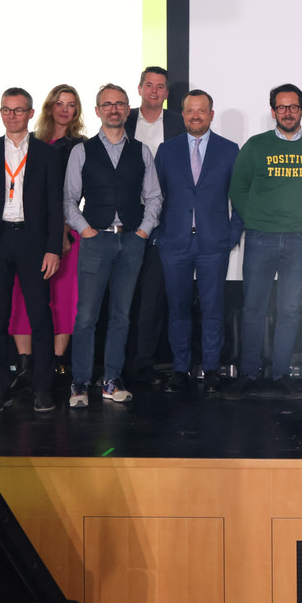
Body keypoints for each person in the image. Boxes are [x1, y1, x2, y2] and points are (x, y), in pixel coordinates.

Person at [225, 83, 302, 400]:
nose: (288, 112)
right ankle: (249, 373)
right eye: (282, 107)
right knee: (253, 308)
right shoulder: (255, 147)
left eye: (293, 107)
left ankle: (281, 373)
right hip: (260, 239)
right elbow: (238, 190)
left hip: (299, 239)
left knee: (289, 309)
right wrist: (255, 218)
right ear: (273, 111)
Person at [64, 83, 163, 408]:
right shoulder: (82, 151)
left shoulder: (141, 151)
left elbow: (153, 197)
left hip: (131, 241)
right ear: (97, 110)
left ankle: (111, 379)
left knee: (122, 316)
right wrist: (86, 230)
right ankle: (79, 383)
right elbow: (69, 200)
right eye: (107, 104)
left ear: (127, 108)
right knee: (86, 317)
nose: (114, 109)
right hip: (96, 241)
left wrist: (144, 231)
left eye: (120, 104)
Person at [0, 88, 64, 415]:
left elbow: (55, 206)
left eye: (19, 110)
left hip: (32, 242)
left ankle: (42, 388)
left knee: (40, 315)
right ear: (1, 113)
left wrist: (54, 249)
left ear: (30, 113)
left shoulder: (46, 153)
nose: (12, 115)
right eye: (7, 110)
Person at [154, 89, 243, 394]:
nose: (195, 116)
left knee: (212, 309)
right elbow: (154, 196)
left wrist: (232, 236)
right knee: (178, 309)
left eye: (201, 111)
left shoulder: (229, 150)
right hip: (174, 243)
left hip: (213, 244)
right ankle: (180, 369)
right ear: (183, 115)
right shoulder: (167, 150)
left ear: (211, 115)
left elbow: (240, 198)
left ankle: (211, 370)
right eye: (190, 111)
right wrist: (157, 235)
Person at [4, 84, 86, 395]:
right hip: (27, 232)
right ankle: (25, 366)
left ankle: (57, 365)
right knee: (21, 298)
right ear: (49, 106)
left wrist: (63, 230)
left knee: (64, 299)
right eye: (60, 103)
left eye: (71, 104)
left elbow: (72, 194)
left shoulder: (82, 145)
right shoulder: (31, 142)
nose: (65, 109)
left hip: (65, 232)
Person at [125, 65, 185, 386]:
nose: (154, 91)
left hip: (165, 222)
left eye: (160, 87)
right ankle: (115, 364)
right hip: (125, 220)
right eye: (149, 85)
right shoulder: (124, 118)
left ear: (165, 93)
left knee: (153, 296)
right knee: (123, 297)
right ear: (139, 89)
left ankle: (144, 363)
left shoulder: (177, 123)